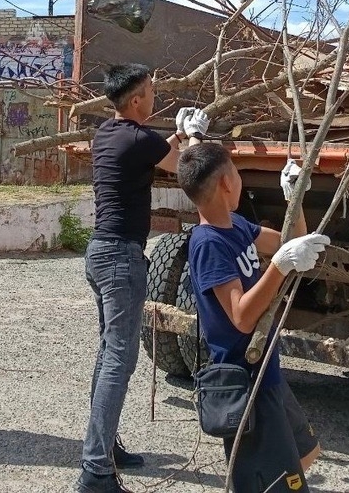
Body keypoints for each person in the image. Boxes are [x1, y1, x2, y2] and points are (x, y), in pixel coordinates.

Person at [76, 63, 209, 493]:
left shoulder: (109, 134)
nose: (155, 96)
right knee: (119, 360)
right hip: (120, 259)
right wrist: (196, 136)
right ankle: (96, 471)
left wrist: (174, 133)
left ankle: (104, 447)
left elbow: (151, 149)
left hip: (99, 255)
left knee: (107, 356)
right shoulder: (137, 139)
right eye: (151, 91)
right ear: (136, 100)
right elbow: (190, 170)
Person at [179, 142, 328, 492]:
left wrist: (295, 197)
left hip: (266, 373)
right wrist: (278, 266)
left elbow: (292, 243)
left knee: (305, 455)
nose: (239, 179)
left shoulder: (237, 226)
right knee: (275, 484)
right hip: (246, 381)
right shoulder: (208, 244)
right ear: (226, 183)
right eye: (236, 171)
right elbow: (242, 317)